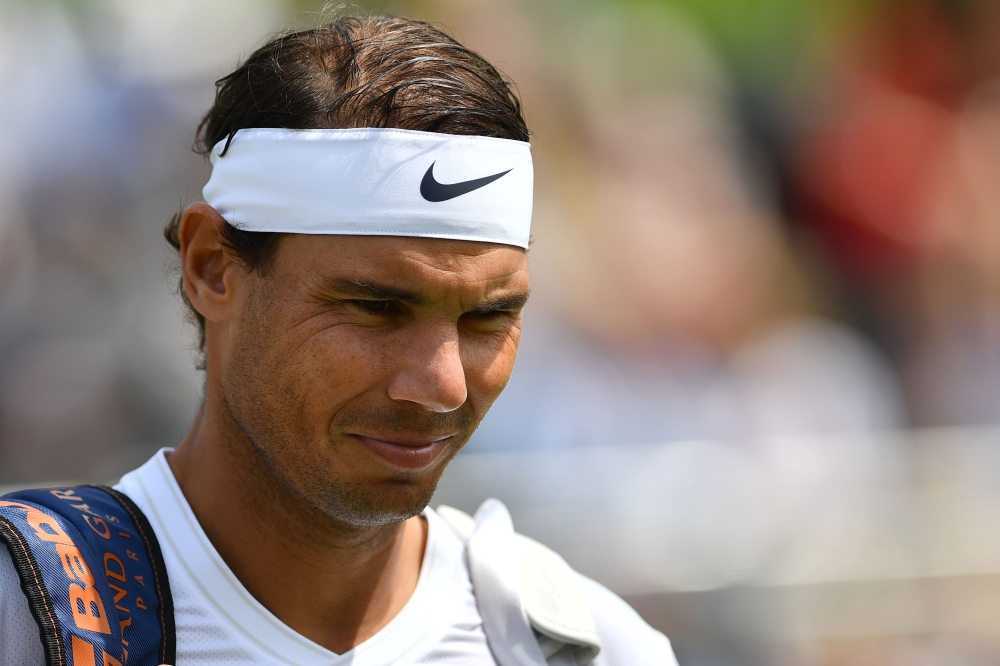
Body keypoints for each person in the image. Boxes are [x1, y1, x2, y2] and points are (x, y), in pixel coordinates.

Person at [0, 14, 678, 665]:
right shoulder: (25, 614)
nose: (442, 385)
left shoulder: (583, 645)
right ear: (212, 268)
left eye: (488, 318)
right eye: (376, 307)